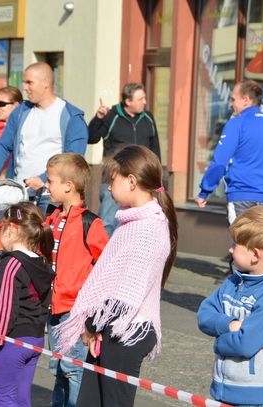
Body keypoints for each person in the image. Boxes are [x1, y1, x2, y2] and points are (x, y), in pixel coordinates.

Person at [56, 145, 178, 407]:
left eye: (113, 180)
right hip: (110, 329)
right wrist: (94, 326)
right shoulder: (130, 223)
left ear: (131, 181)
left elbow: (126, 293)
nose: (109, 188)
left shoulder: (149, 229)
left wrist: (92, 324)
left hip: (126, 332)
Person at [197, 205, 263, 407]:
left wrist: (217, 343)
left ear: (255, 255)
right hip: (223, 390)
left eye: (235, 245)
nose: (230, 249)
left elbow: (244, 344)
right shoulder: (231, 283)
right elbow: (204, 315)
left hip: (257, 397)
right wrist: (229, 324)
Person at [44, 153, 109, 407]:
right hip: (54, 307)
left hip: (75, 310)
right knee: (58, 368)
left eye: (50, 181)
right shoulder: (52, 218)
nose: (47, 186)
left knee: (73, 368)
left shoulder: (90, 223)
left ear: (68, 185)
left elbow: (106, 264)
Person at [0, 202, 54, 407]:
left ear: (12, 229)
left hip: (11, 341)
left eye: (0, 227)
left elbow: (4, 309)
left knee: (4, 398)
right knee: (21, 398)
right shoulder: (41, 262)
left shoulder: (10, 265)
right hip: (35, 339)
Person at [0, 62, 89, 214]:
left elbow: (74, 160)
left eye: (29, 82)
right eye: (24, 82)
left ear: (45, 83)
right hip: (19, 193)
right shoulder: (20, 112)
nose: (25, 88)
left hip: (49, 196)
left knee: (44, 238)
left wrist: (43, 178)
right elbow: (3, 145)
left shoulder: (71, 116)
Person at [195, 79, 263, 224]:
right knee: (262, 246)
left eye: (233, 99)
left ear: (246, 100)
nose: (230, 104)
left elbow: (220, 162)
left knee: (240, 246)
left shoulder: (236, 124)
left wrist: (205, 191)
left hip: (241, 198)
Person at [88, 83, 160, 235]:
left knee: (140, 222)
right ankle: (102, 254)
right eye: (141, 98)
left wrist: (157, 179)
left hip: (141, 180)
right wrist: (98, 119)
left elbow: (155, 148)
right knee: (108, 222)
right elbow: (91, 138)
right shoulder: (110, 116)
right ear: (128, 101)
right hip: (114, 179)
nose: (145, 102)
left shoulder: (148, 118)